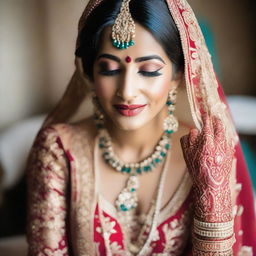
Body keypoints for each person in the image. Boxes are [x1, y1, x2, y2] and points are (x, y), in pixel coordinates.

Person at [26, 0, 256, 255]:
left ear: (178, 75)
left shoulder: (208, 156)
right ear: (90, 73)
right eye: (110, 69)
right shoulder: (58, 150)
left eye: (148, 70)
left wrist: (212, 194)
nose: (127, 91)